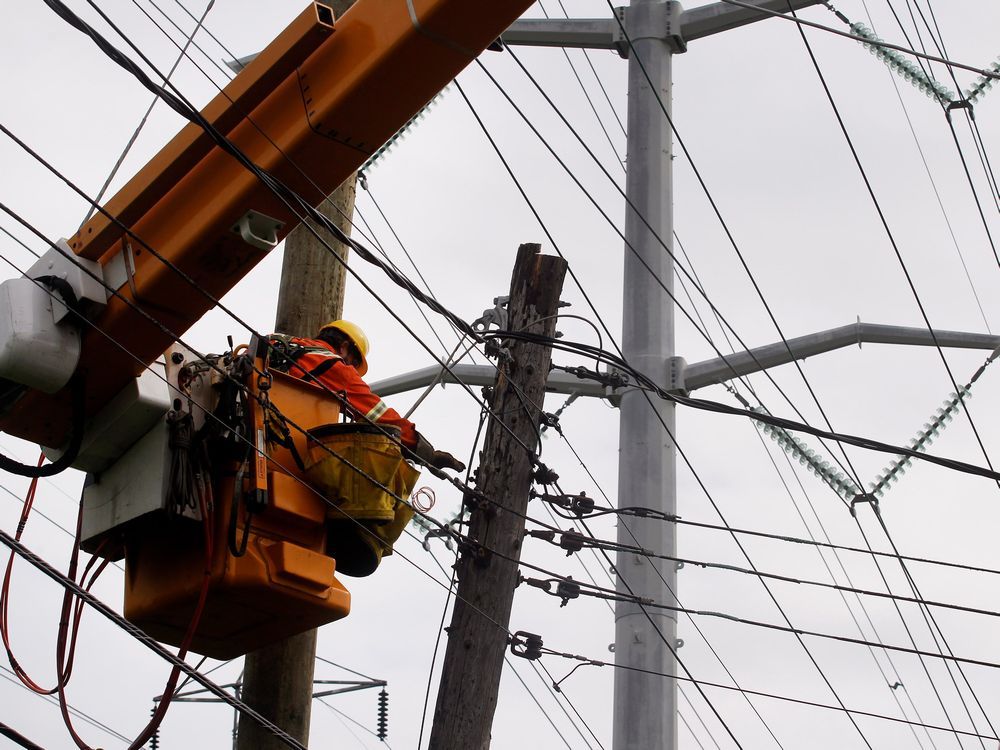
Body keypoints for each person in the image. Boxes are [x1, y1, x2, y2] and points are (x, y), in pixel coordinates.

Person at [272, 319, 465, 472]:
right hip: (281, 451)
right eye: (354, 363)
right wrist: (428, 455)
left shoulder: (277, 342)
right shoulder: (337, 368)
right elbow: (381, 418)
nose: (352, 368)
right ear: (344, 347)